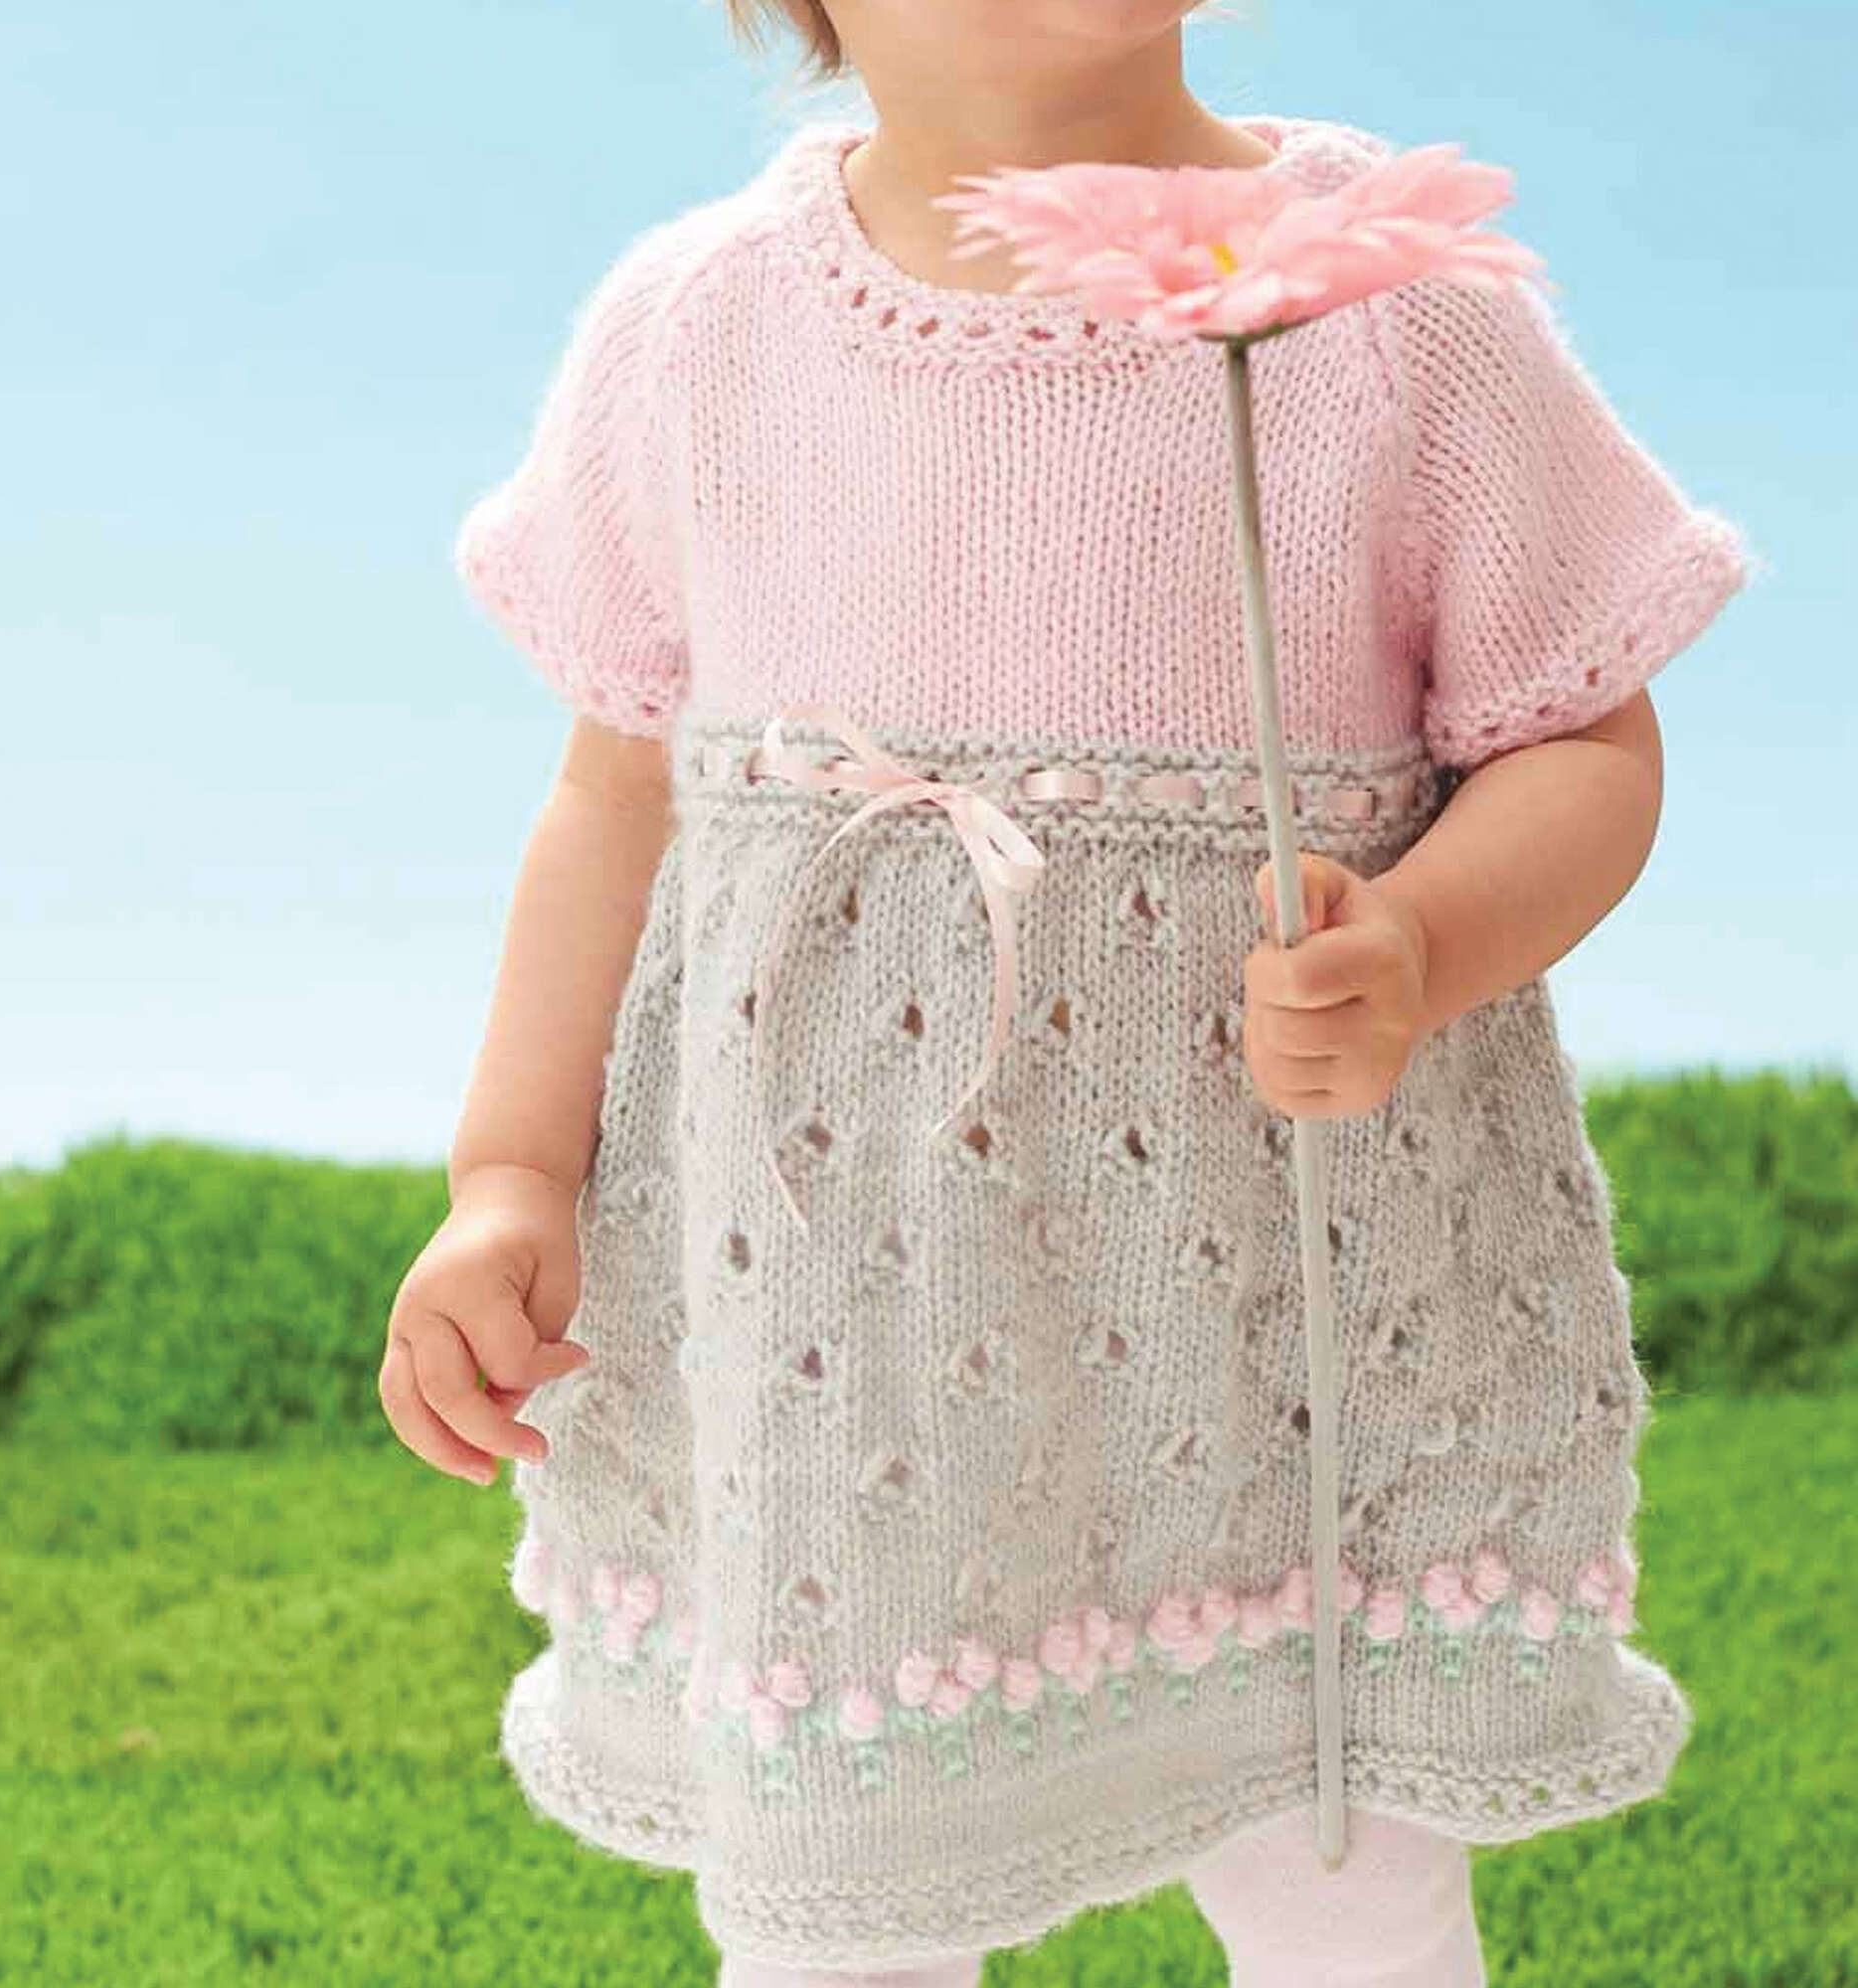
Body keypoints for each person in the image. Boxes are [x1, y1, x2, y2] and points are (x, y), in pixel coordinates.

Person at [385, 3, 1760, 1980]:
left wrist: (1421, 941)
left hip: (1279, 1295)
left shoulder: (1379, 301)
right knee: (848, 1892)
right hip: (854, 1312)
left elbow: (1581, 737)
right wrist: (511, 1172)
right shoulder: (701, 328)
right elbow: (615, 797)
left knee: (1340, 1863)